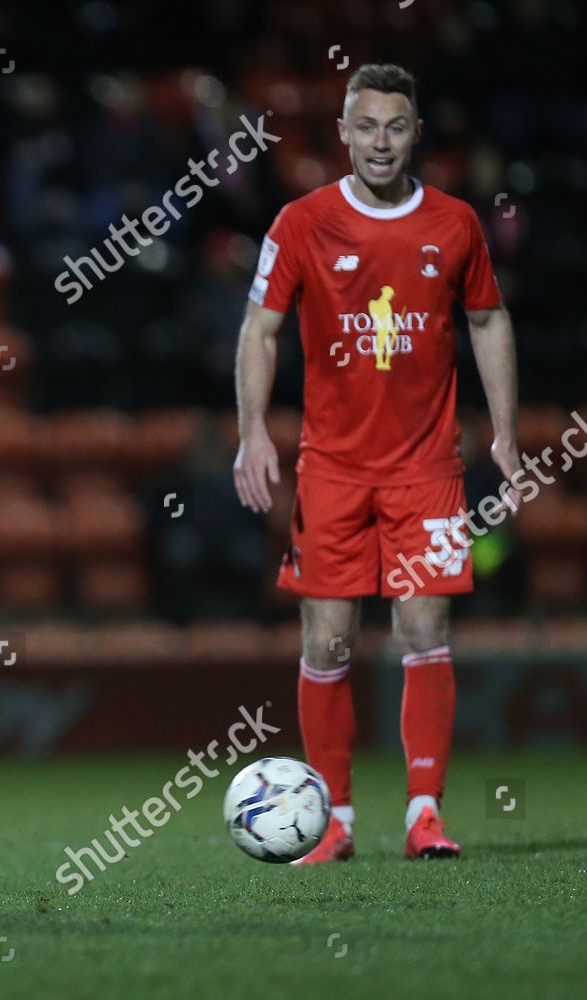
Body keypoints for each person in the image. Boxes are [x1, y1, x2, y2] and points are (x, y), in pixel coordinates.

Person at [232, 64, 518, 863]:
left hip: (428, 468)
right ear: (345, 134)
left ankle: (424, 813)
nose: (381, 142)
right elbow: (260, 329)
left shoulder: (456, 223)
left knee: (425, 625)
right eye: (367, 127)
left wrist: (502, 430)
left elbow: (489, 321)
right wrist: (253, 431)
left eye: (396, 126)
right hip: (332, 470)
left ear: (415, 132)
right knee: (327, 642)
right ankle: (335, 820)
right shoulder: (301, 223)